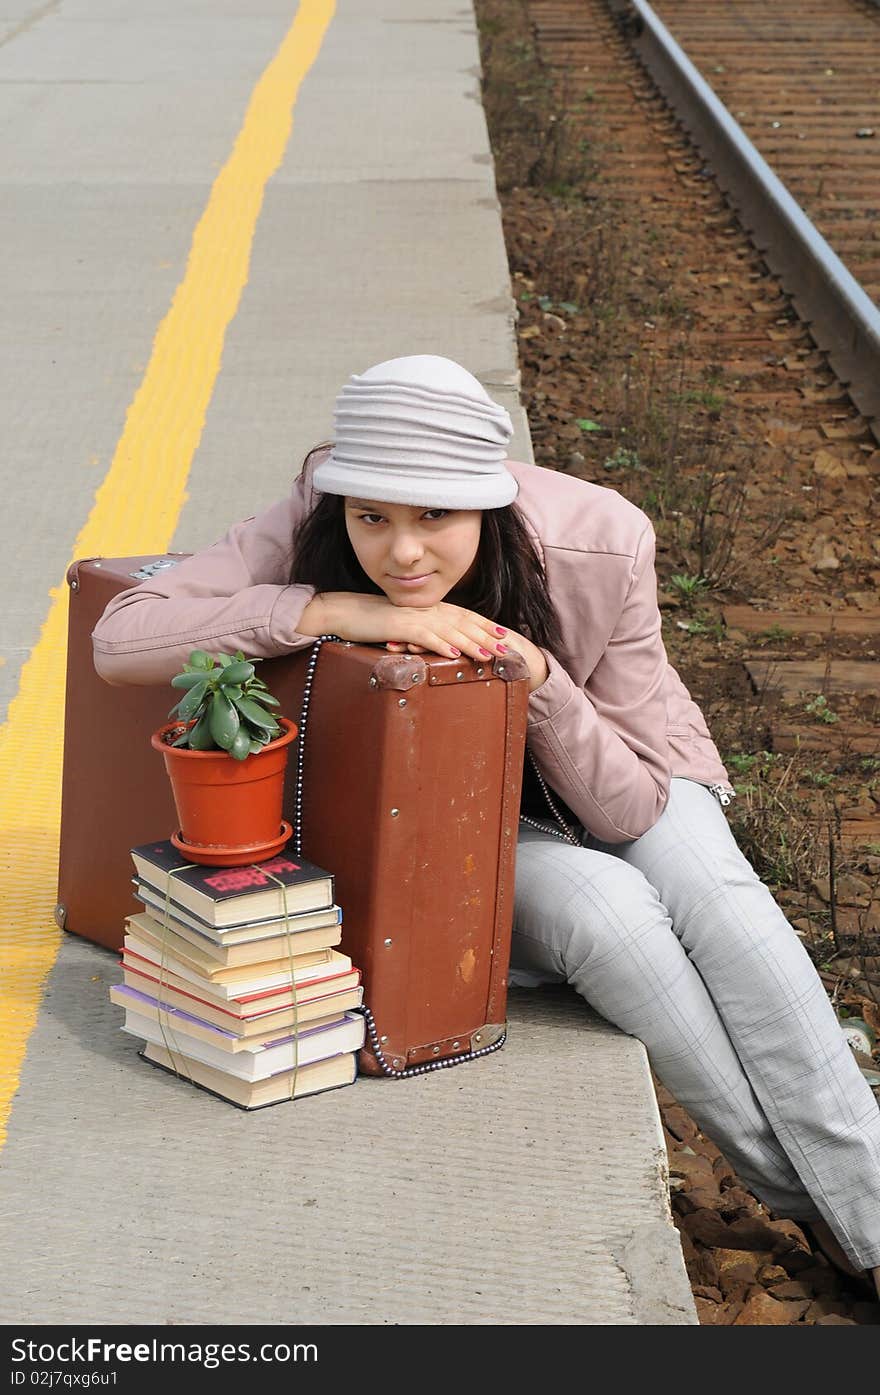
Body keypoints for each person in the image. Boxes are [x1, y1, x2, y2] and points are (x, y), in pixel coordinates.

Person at [92, 353, 880, 1295]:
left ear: (490, 501)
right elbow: (120, 639)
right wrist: (328, 607)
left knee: (720, 900)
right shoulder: (313, 508)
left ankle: (868, 1220)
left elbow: (629, 807)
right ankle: (801, 1199)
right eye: (372, 516)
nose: (403, 552)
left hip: (626, 774)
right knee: (614, 918)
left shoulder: (602, 541)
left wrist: (537, 682)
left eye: (435, 515)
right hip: (461, 822)